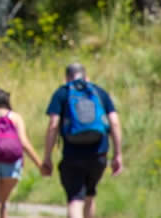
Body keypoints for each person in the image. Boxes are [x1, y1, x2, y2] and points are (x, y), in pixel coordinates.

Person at [41, 63, 123, 218]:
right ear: (87, 77)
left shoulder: (62, 93)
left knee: (75, 199)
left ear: (66, 78)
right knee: (89, 196)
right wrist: (118, 154)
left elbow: (53, 125)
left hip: (73, 156)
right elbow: (115, 123)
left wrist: (47, 157)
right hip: (99, 155)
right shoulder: (99, 92)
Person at [0, 88, 42, 218]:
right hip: (11, 163)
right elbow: (24, 143)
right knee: (2, 203)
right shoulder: (15, 117)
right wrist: (40, 164)